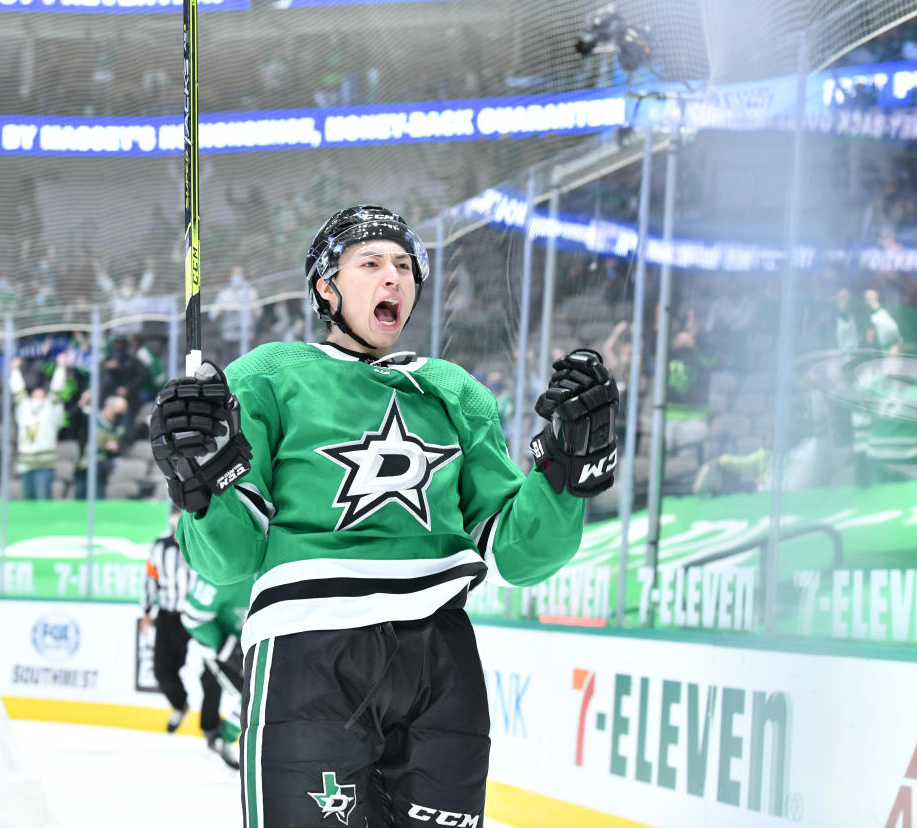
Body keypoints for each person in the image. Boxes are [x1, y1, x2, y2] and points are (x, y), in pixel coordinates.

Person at [148, 205, 618, 827]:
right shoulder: (267, 377)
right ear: (326, 287)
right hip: (310, 650)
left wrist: (564, 471)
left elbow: (518, 555)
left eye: (403, 266)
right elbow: (230, 557)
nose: (393, 277)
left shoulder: (454, 390)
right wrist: (201, 486)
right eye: (370, 263)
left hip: (441, 659)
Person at [180, 572, 252, 771]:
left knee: (261, 694)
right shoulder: (218, 575)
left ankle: (221, 737)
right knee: (253, 694)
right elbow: (192, 618)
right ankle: (221, 739)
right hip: (223, 650)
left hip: (253, 643)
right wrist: (225, 646)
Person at [140, 519, 199, 734]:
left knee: (210, 669)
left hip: (196, 616)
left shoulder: (197, 544)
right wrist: (146, 611)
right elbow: (150, 578)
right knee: (162, 671)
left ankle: (218, 723)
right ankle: (179, 705)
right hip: (167, 616)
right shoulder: (160, 547)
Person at [11, 353, 69, 500]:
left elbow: (56, 390)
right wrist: (14, 370)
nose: (37, 399)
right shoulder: (24, 409)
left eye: (41, 396)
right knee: (27, 501)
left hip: (44, 464)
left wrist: (61, 367)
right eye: (34, 396)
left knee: (43, 501)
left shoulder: (49, 409)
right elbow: (17, 390)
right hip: (26, 463)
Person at [74, 392, 128, 499]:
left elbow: (125, 447)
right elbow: (76, 417)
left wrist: (116, 448)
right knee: (80, 497)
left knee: (98, 497)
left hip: (102, 468)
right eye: (118, 411)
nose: (120, 414)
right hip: (84, 465)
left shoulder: (119, 427)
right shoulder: (92, 419)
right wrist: (83, 400)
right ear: (109, 407)